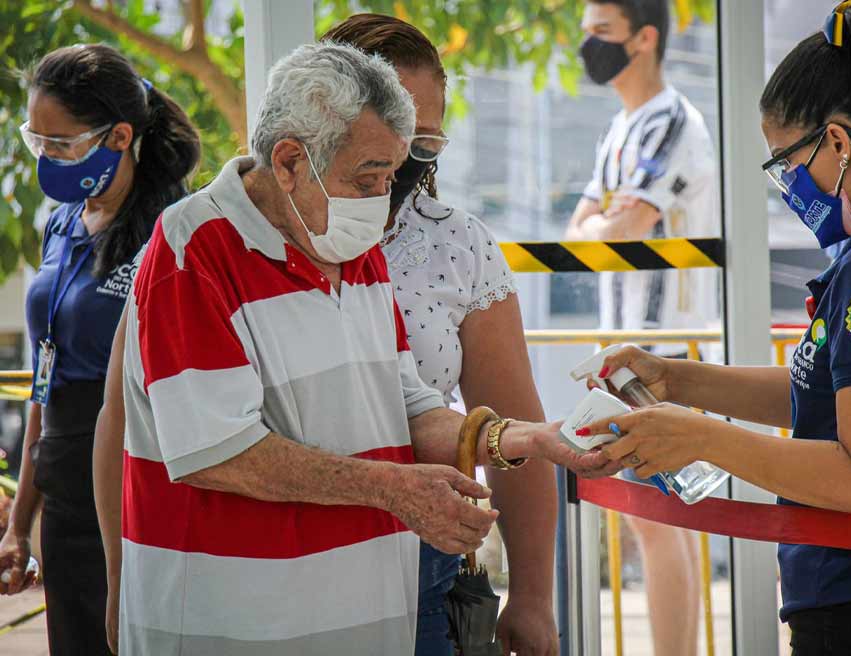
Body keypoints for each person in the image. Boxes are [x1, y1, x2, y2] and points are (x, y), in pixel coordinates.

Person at [112, 42, 594, 655]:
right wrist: (395, 490)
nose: (382, 198)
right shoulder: (192, 250)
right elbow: (219, 452)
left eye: (393, 174)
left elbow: (410, 405)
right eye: (367, 177)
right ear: (289, 160)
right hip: (234, 631)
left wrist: (520, 438)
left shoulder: (350, 247)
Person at [576, 4, 851, 654]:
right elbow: (844, 397)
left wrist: (702, 438)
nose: (786, 186)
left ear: (838, 143)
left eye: (785, 162)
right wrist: (679, 381)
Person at [322, 15, 559, 655]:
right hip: (286, 559)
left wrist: (534, 598)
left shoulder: (455, 245)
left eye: (424, 141)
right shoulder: (250, 237)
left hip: (423, 572)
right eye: (389, 131)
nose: (401, 161)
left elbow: (514, 429)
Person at [0, 43, 199, 655]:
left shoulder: (175, 231)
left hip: (141, 499)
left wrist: (120, 563)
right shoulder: (62, 222)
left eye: (61, 145)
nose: (47, 160)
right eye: (39, 143)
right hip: (64, 500)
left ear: (118, 137)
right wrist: (19, 525)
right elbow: (45, 381)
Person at [564, 1, 718, 653]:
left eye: (602, 32)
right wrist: (601, 223)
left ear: (645, 38)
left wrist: (602, 224)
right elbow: (578, 230)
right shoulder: (625, 127)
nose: (588, 44)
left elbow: (619, 227)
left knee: (660, 523)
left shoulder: (669, 122)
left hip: (661, 359)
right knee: (662, 523)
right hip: (630, 357)